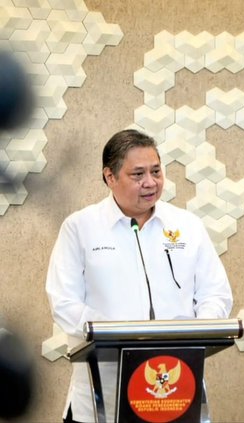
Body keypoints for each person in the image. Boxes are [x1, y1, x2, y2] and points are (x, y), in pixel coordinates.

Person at [46, 129, 233, 423]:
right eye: (138, 174)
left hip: (175, 383)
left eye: (156, 171)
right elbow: (63, 302)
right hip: (102, 392)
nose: (151, 182)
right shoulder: (80, 227)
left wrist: (195, 333)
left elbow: (216, 294)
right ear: (110, 177)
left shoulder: (187, 225)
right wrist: (117, 337)